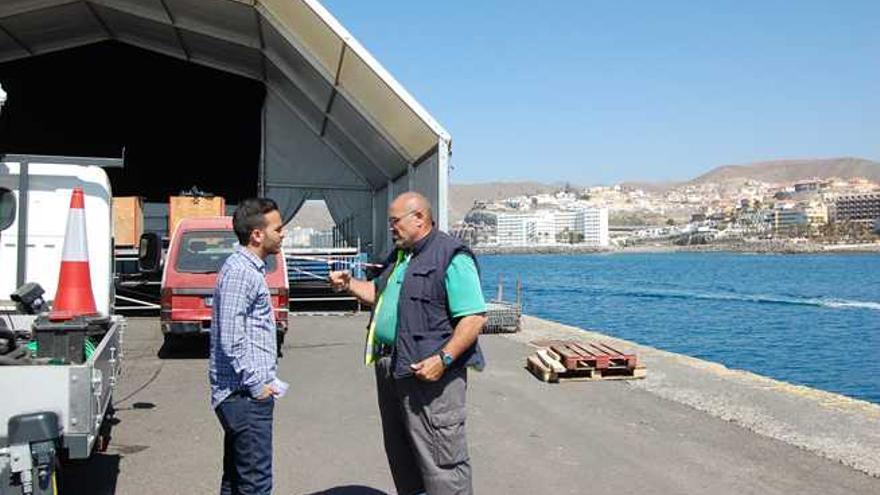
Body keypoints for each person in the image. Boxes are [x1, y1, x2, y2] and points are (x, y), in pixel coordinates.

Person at [330, 192, 488, 495]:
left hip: (430, 378)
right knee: (404, 457)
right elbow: (379, 295)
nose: (391, 228)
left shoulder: (452, 256)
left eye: (395, 221)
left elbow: (473, 318)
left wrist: (442, 360)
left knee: (443, 462)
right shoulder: (401, 257)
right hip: (394, 370)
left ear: (419, 217)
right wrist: (348, 284)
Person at [209, 197, 286, 495]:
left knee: (238, 481)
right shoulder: (241, 272)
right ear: (257, 234)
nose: (282, 234)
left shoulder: (247, 268)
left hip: (244, 394)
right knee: (256, 483)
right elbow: (231, 337)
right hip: (244, 396)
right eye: (277, 229)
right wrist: (257, 385)